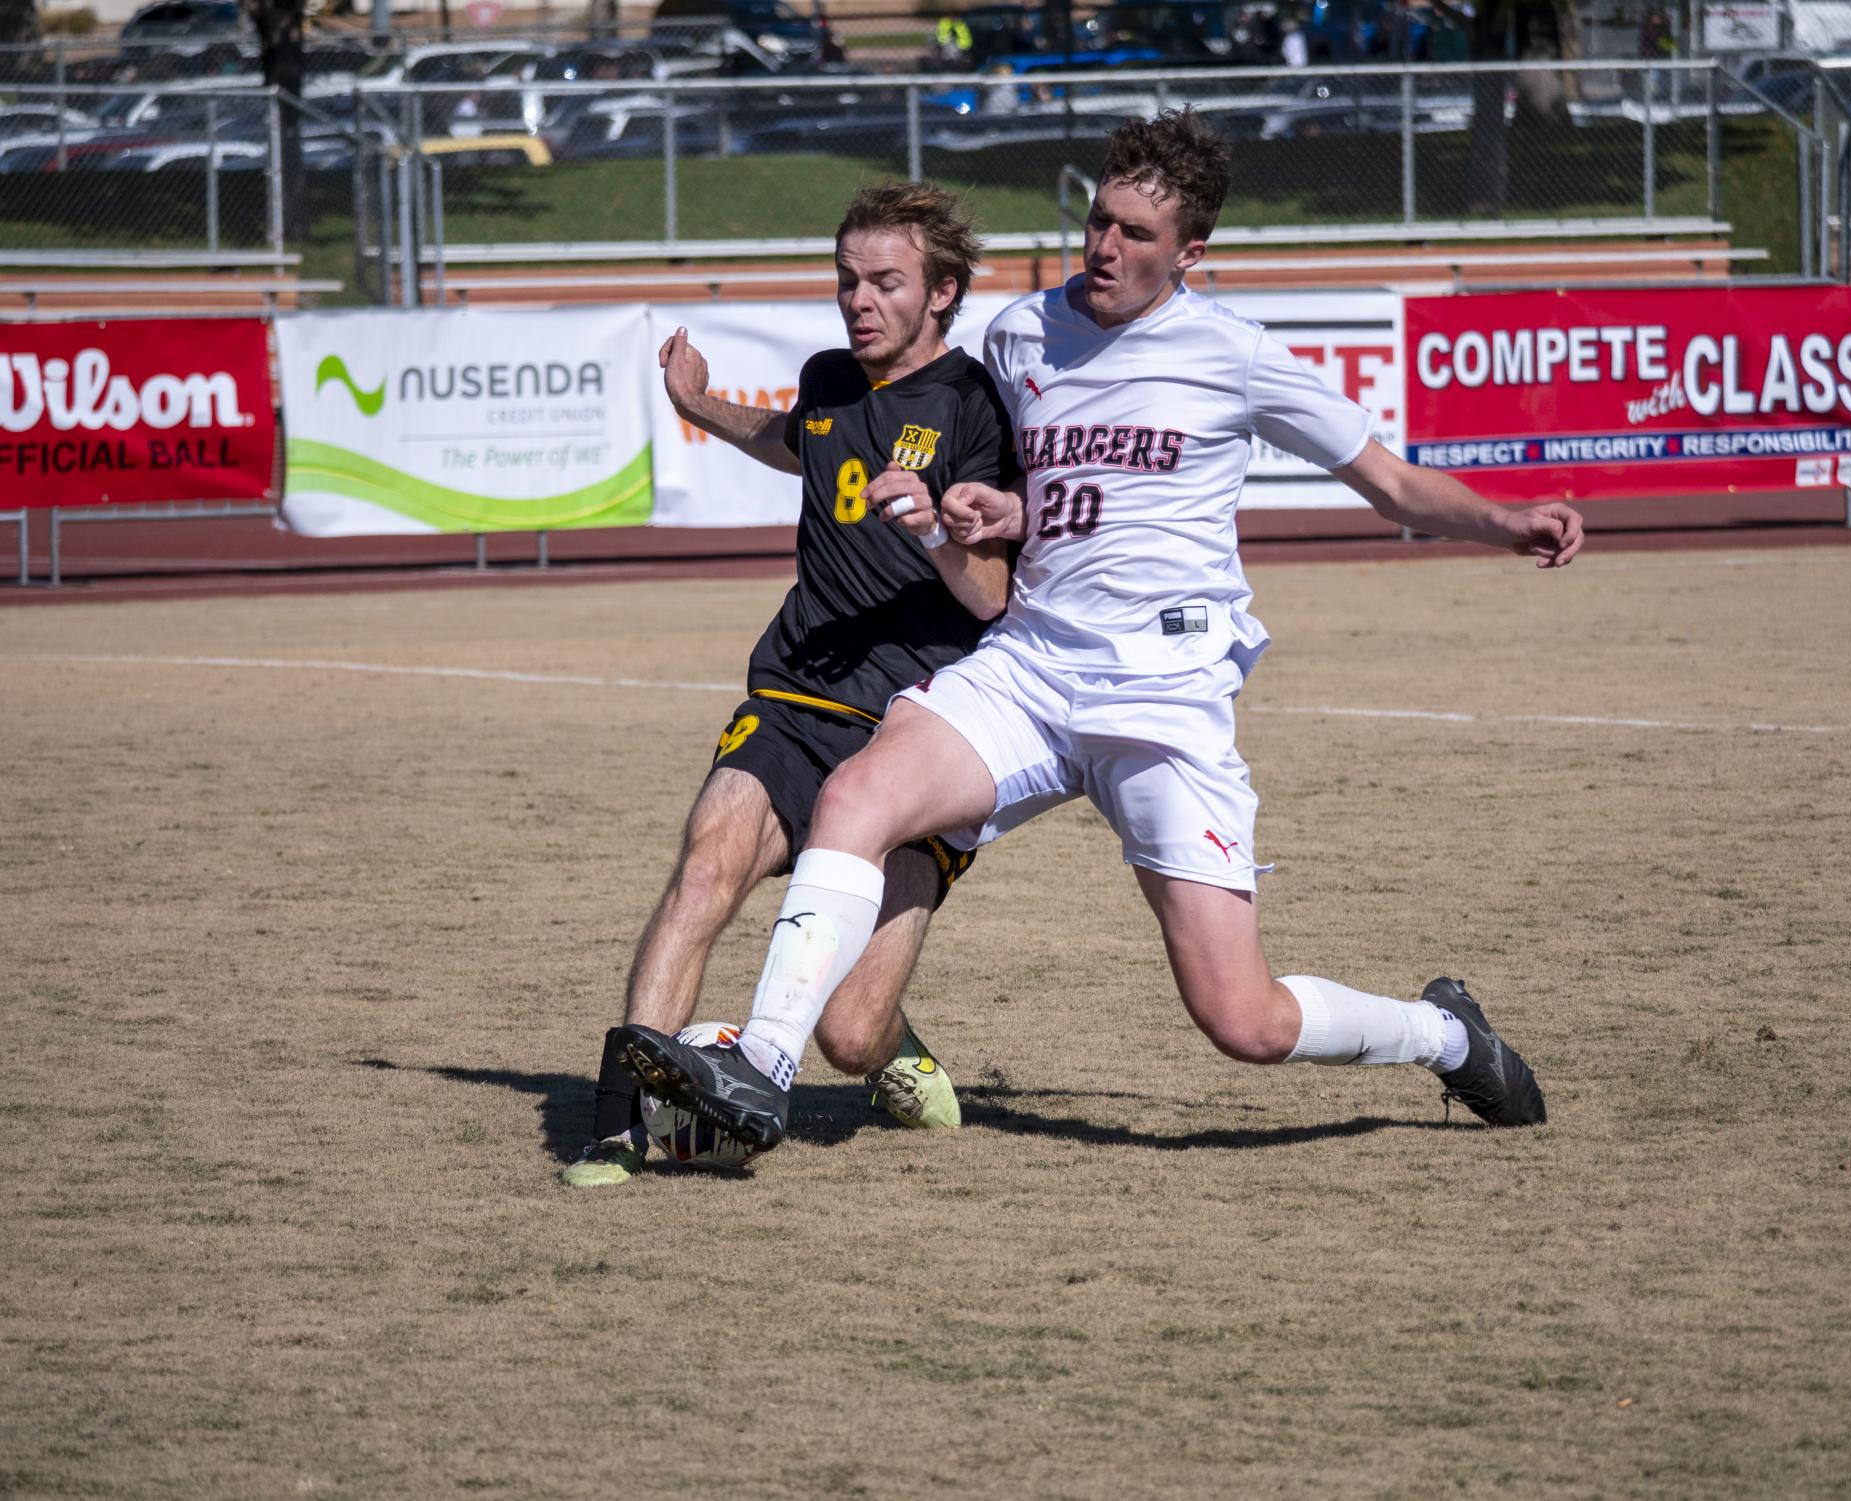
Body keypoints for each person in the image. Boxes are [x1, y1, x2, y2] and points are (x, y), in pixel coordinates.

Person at [614, 108, 1584, 1155]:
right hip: (1031, 667)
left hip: (1160, 692)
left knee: (1241, 1019)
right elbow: (1055, 495)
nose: (1104, 248)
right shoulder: (1024, 334)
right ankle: (761, 1067)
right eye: (1097, 221)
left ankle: (1443, 1036)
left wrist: (1503, 520)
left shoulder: (1236, 355)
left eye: (1134, 233)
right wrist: (999, 514)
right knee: (856, 794)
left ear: (1191, 254)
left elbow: (1390, 483)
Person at [562, 181, 1018, 1186]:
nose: (859, 300)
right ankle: (617, 1121)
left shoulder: (976, 406)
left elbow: (991, 596)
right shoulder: (829, 377)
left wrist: (936, 527)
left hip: (922, 730)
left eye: (886, 283)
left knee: (846, 1038)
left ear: (942, 291)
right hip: (798, 693)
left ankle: (892, 1044)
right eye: (847, 280)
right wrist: (699, 405)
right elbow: (798, 442)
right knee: (706, 864)